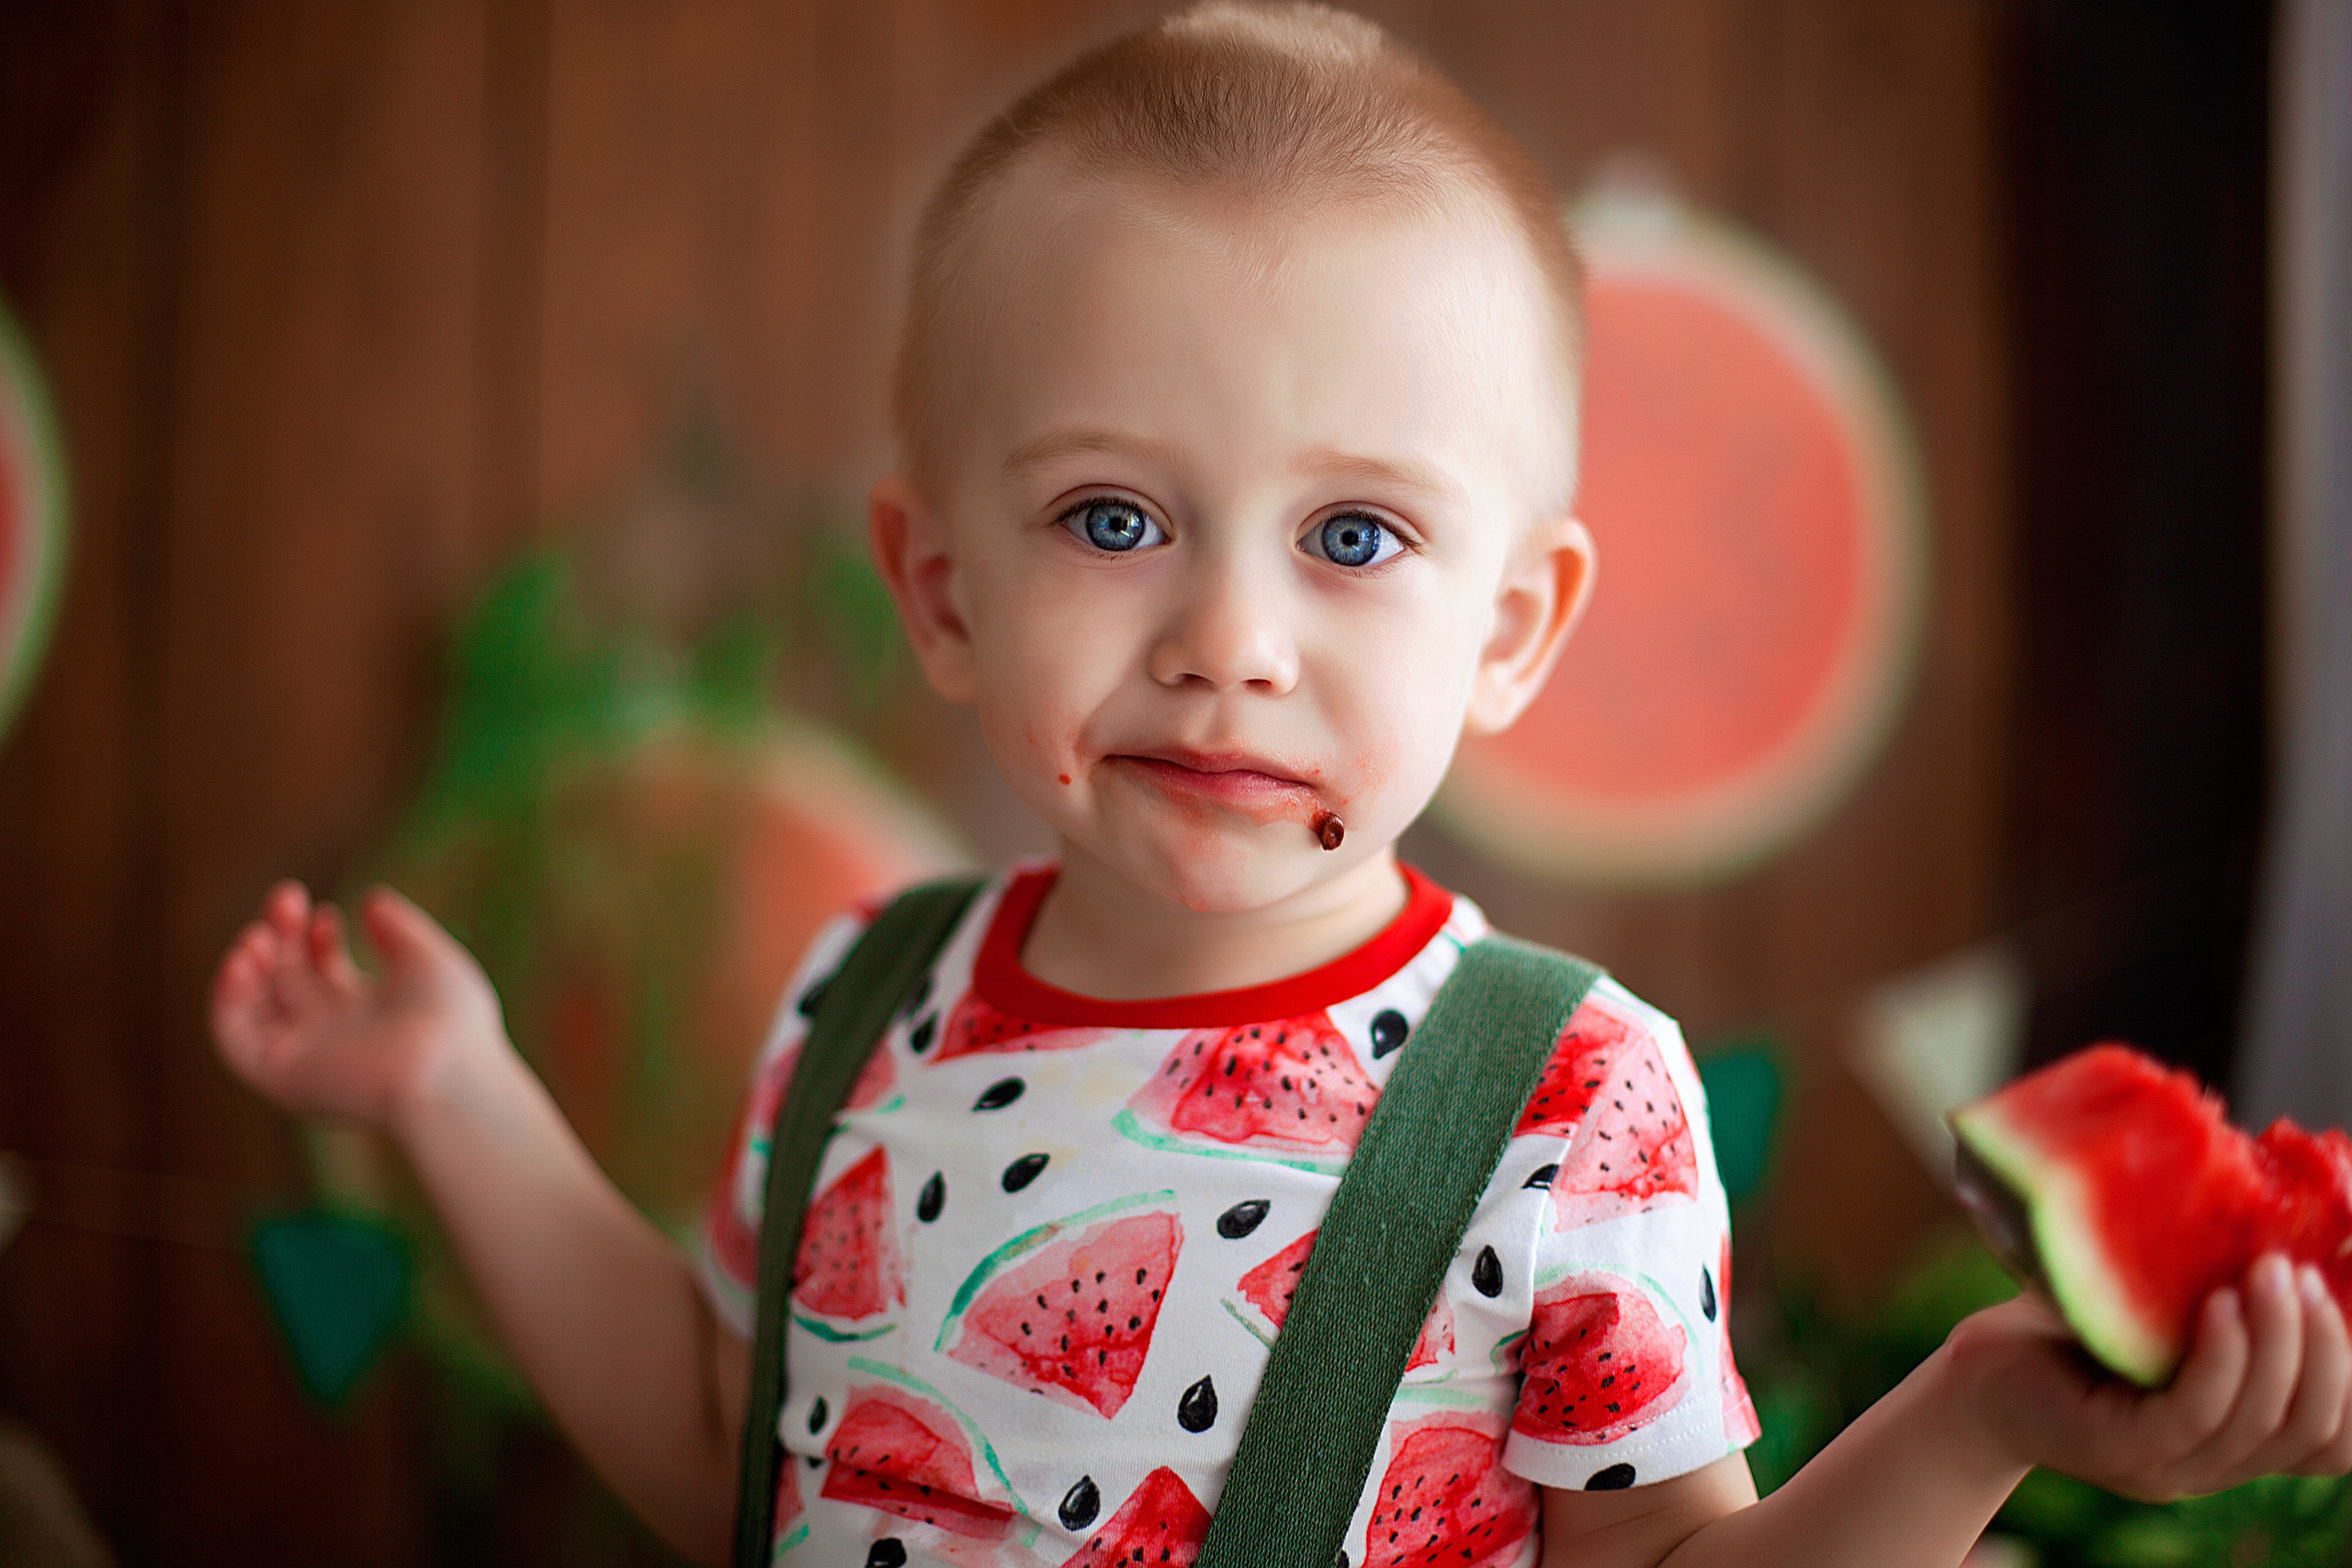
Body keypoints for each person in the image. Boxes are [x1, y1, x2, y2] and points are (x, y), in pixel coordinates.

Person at [208, 6, 2352, 1566]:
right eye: (1114, 520)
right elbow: (719, 1446)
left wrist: (1975, 1409)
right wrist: (454, 1092)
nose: (1230, 638)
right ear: (937, 591)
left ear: (1509, 628)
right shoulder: (863, 996)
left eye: (1351, 538)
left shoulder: (1565, 1095)